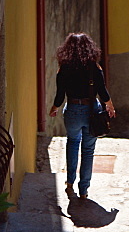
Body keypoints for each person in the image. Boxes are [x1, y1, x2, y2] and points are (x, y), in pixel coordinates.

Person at [49, 32, 115, 199]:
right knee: (88, 150)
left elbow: (60, 95)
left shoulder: (63, 68)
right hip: (91, 110)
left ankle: (70, 181)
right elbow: (103, 92)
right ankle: (84, 189)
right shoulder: (94, 67)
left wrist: (54, 108)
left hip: (72, 109)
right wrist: (110, 106)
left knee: (72, 143)